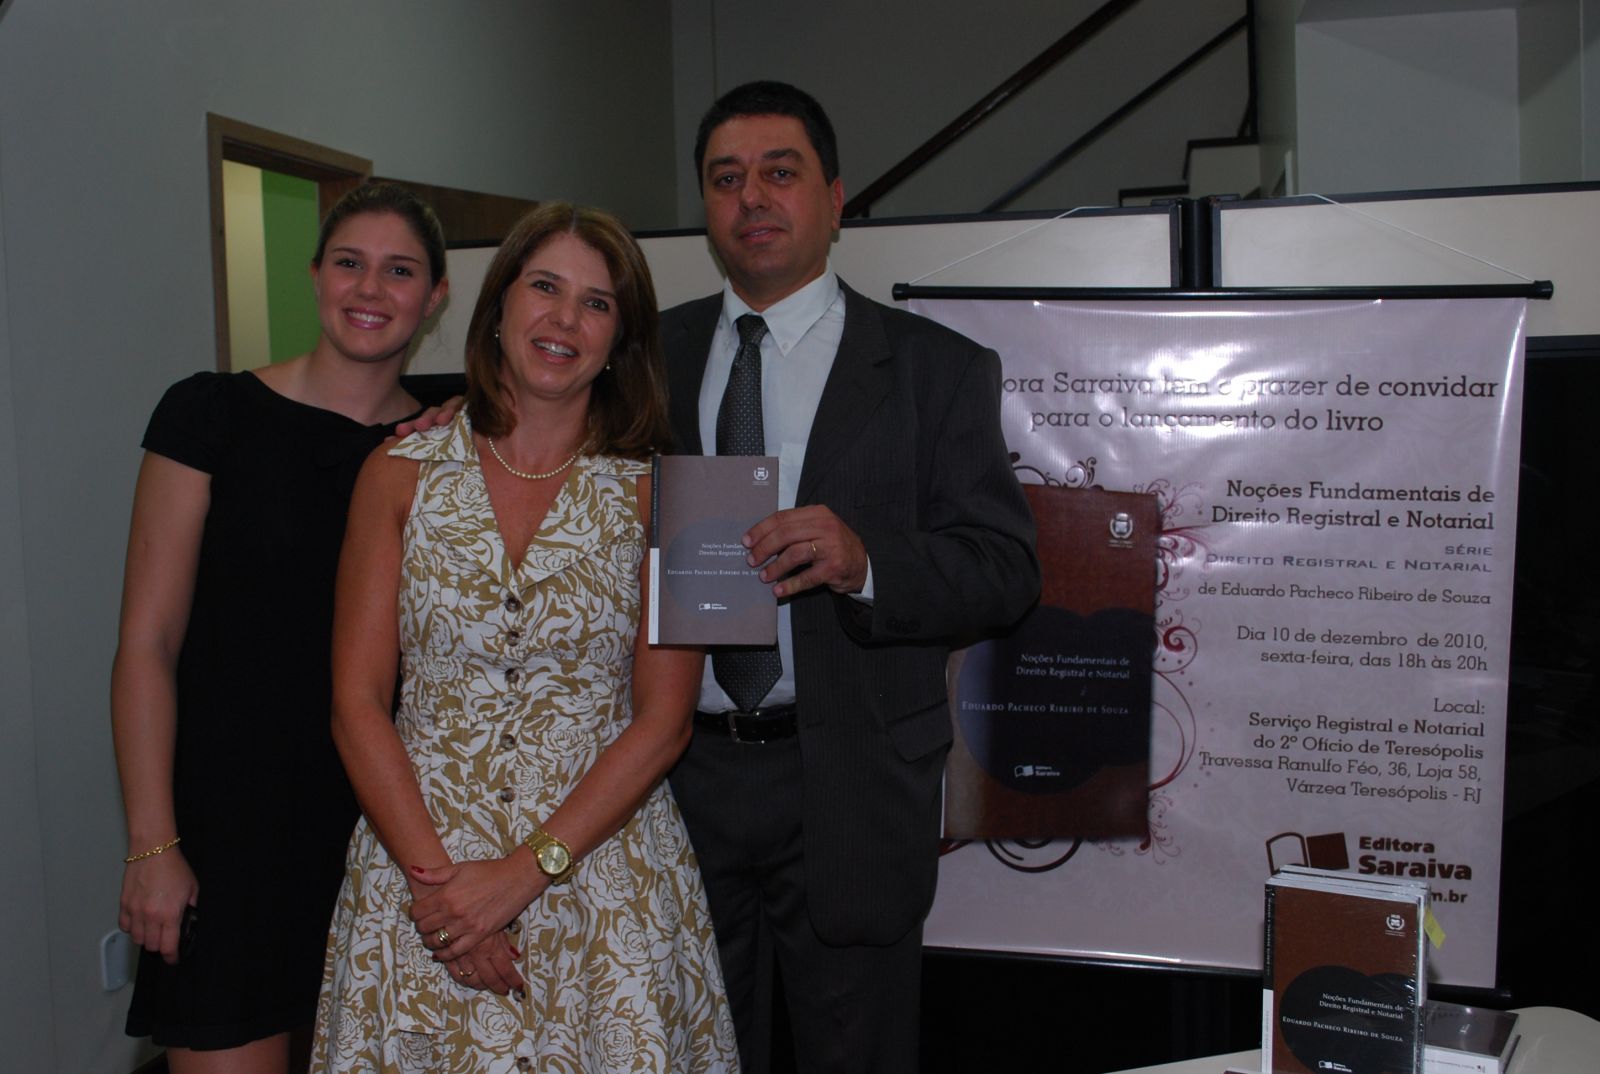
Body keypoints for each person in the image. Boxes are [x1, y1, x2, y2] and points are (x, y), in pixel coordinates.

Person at [662, 81, 1041, 1074]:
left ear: (834, 200)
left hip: (852, 784)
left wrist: (869, 562)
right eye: (726, 179)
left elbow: (1005, 570)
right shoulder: (644, 358)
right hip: (676, 778)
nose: (752, 197)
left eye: (779, 173)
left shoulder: (934, 368)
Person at [312, 202, 739, 1073]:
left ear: (620, 339)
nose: (564, 319)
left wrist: (520, 875)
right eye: (545, 287)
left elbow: (665, 724)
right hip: (420, 867)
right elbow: (356, 703)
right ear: (499, 305)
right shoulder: (394, 474)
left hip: (604, 878)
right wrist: (445, 904)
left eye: (597, 303)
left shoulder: (690, 498)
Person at [112, 181, 450, 1073]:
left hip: (386, 829)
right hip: (230, 833)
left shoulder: (442, 448)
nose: (370, 288)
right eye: (349, 263)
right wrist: (152, 843)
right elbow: (147, 644)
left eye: (400, 271)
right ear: (314, 276)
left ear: (436, 297)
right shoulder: (209, 414)